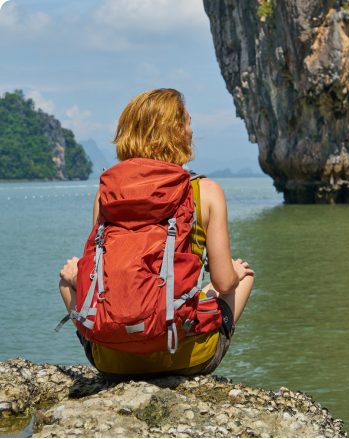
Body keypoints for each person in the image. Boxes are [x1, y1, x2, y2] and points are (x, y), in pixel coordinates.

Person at [57, 88, 254, 382]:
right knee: (242, 277)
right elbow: (224, 283)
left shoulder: (106, 194)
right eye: (188, 123)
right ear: (176, 132)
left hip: (112, 362)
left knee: (66, 278)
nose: (192, 131)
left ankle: (112, 348)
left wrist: (74, 277)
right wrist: (234, 273)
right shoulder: (206, 191)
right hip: (185, 355)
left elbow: (97, 277)